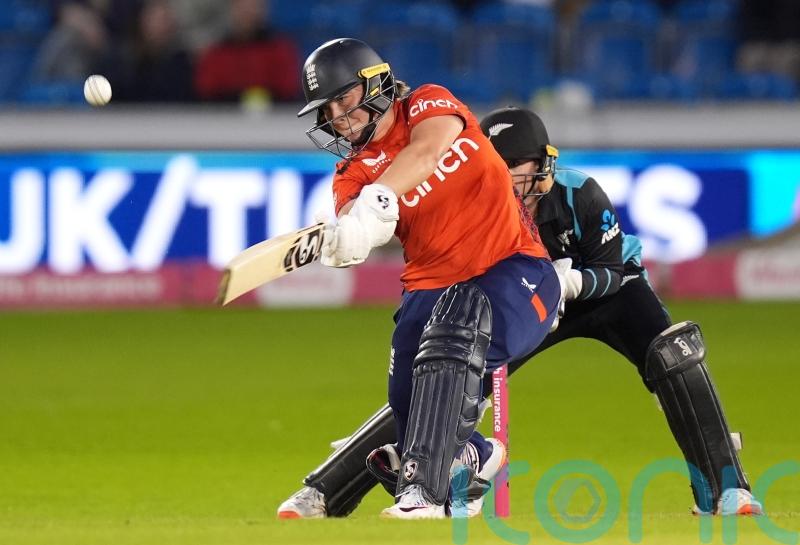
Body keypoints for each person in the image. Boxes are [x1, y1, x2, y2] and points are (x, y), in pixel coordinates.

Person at [277, 106, 764, 519]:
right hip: (524, 294)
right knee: (442, 370)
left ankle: (725, 489)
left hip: (608, 294)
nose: (509, 177)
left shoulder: (580, 193)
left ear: (545, 163)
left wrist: (570, 282)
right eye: (499, 165)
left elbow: (613, 271)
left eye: (520, 166)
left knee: (673, 353)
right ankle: (325, 491)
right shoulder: (476, 203)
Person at [290, 38, 561, 519]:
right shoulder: (349, 174)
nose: (338, 117)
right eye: (327, 109)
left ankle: (424, 493)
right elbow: (359, 219)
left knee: (454, 340)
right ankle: (472, 456)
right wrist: (348, 237)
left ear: (376, 86)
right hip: (429, 290)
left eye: (345, 100)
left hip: (514, 269)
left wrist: (378, 197)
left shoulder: (428, 104)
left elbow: (428, 151)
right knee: (410, 407)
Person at [194, 0, 300, 103]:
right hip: (225, 116)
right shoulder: (217, 52)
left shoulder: (279, 49)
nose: (248, 12)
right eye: (242, 7)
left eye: (253, 6)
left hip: (274, 116)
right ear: (232, 9)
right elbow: (206, 90)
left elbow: (289, 88)